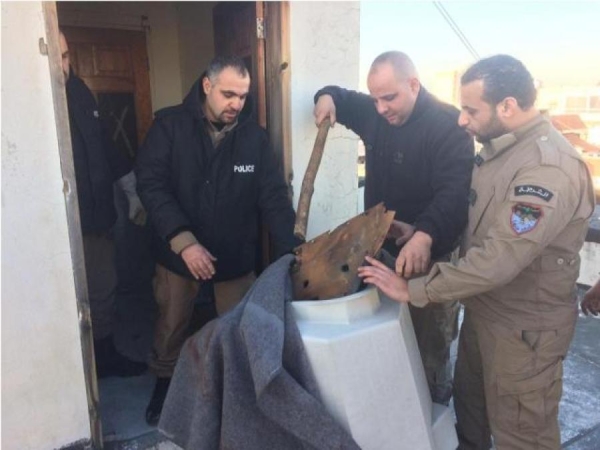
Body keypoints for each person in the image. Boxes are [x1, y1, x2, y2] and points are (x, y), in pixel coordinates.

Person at [358, 54, 595, 450]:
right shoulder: (499, 152)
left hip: (523, 333)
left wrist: (413, 290)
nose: (461, 120)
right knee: (469, 423)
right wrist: (418, 232)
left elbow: (499, 259)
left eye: (471, 111)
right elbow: (482, 227)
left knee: (522, 437)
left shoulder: (546, 168)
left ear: (508, 106)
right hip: (483, 314)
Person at [135, 56, 300, 426]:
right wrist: (183, 241)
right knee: (172, 321)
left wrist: (292, 249)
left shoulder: (254, 139)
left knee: (241, 326)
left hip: (233, 254)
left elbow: (273, 197)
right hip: (178, 253)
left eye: (242, 96)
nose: (236, 104)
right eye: (228, 94)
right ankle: (165, 382)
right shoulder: (169, 126)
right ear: (207, 86)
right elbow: (151, 184)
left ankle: (236, 392)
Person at [313, 51, 474, 405]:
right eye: (375, 99)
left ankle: (432, 411)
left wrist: (424, 233)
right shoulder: (375, 111)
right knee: (386, 340)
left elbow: (455, 193)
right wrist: (325, 97)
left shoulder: (448, 125)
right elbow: (340, 96)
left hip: (431, 260)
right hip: (382, 252)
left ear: (413, 85)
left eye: (389, 98)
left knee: (428, 350)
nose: (381, 108)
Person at [60, 31, 147, 379]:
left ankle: (104, 357)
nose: (62, 64)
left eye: (66, 56)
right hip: (55, 226)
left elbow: (106, 146)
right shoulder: (27, 96)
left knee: (102, 289)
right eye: (56, 56)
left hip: (95, 220)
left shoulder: (79, 91)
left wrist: (132, 194)